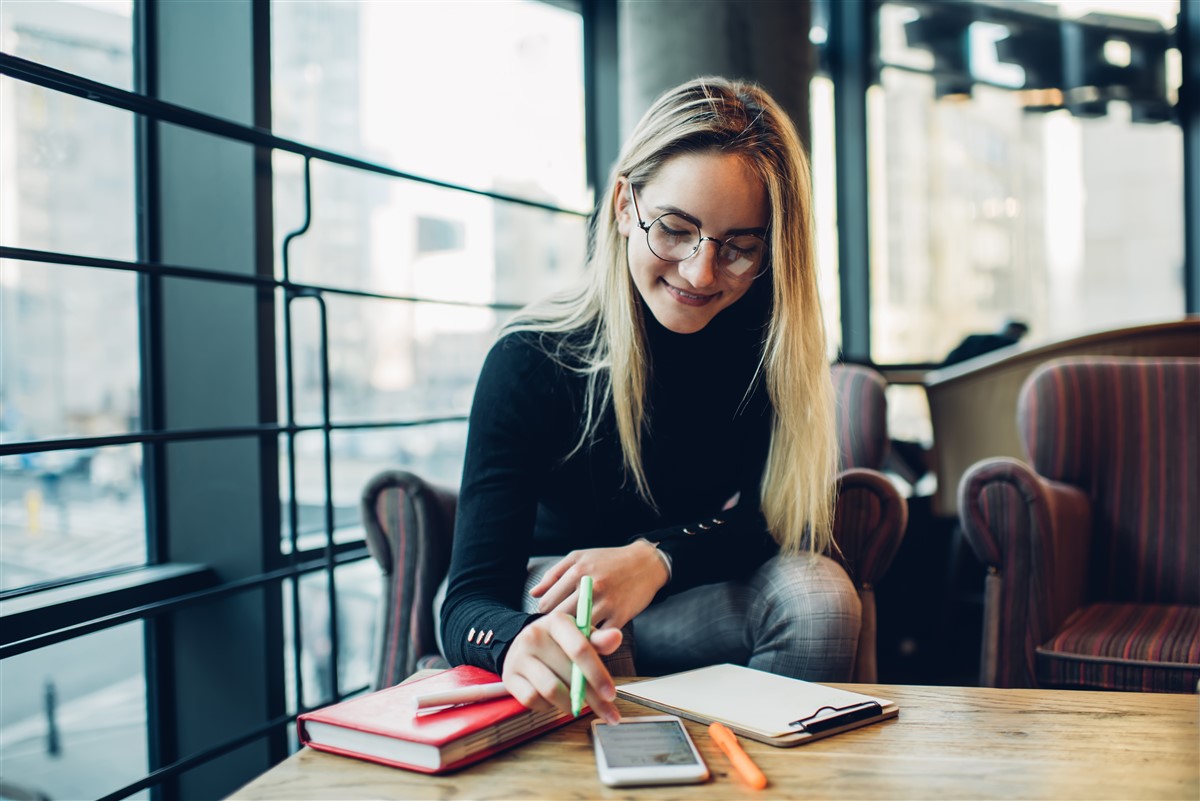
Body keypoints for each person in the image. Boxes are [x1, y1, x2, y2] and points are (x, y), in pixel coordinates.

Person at [438, 77, 861, 726]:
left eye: (739, 247)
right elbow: (468, 598)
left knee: (821, 596)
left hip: (679, 599)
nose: (700, 272)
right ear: (623, 205)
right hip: (554, 594)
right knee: (587, 628)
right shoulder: (531, 359)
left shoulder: (763, 343)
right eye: (674, 229)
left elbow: (773, 519)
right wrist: (520, 639)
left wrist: (656, 558)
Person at [942, 319, 1029, 367]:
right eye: (1013, 331)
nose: (1015, 335)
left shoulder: (1012, 348)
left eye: (1018, 333)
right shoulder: (980, 339)